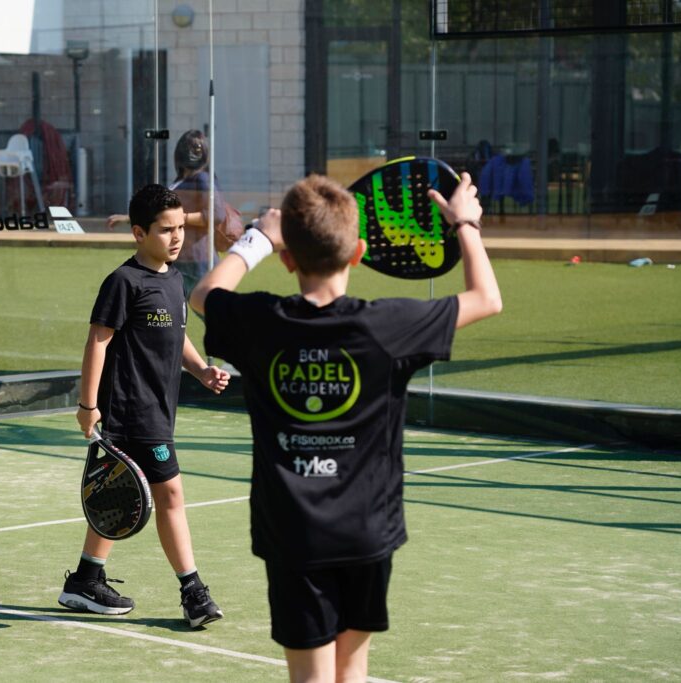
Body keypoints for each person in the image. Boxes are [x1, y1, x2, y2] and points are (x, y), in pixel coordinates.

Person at [189, 173, 502, 681]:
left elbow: (205, 293)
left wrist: (259, 238)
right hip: (367, 532)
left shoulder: (259, 320)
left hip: (292, 535)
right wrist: (464, 222)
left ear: (289, 257)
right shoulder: (389, 326)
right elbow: (487, 298)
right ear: (358, 252)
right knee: (351, 668)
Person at [59, 183, 231, 628]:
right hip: (130, 412)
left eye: (179, 228)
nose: (176, 238)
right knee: (170, 494)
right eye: (164, 230)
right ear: (138, 233)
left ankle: (85, 580)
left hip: (158, 408)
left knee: (115, 495)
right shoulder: (123, 282)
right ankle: (193, 592)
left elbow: (177, 336)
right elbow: (97, 342)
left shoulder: (174, 280)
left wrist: (201, 371)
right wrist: (87, 405)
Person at [108, 130, 240, 297]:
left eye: (198, 148)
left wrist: (181, 219)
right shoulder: (182, 179)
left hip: (198, 259)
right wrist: (129, 218)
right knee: (170, 307)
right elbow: (162, 212)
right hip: (180, 256)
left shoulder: (203, 179)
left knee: (209, 310)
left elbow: (216, 214)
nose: (193, 152)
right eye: (190, 147)